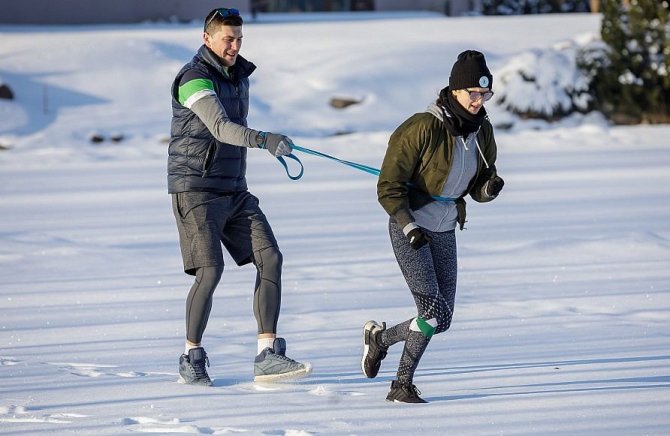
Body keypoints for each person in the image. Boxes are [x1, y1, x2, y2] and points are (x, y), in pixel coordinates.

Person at [168, 7, 310, 385]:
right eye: (227, 39)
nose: (234, 46)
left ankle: (266, 353)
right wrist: (265, 139)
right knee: (210, 271)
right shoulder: (193, 78)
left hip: (234, 189)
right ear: (207, 38)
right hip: (195, 189)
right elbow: (219, 127)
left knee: (271, 257)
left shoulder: (238, 77)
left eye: (239, 39)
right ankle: (191, 355)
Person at [362, 50, 504, 403]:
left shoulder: (482, 131)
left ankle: (379, 340)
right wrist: (408, 225)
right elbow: (388, 187)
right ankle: (400, 386)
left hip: (444, 228)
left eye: (484, 95)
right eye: (472, 93)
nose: (478, 101)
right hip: (409, 228)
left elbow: (476, 182)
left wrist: (487, 189)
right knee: (432, 312)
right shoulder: (422, 127)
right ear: (454, 91)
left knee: (443, 318)